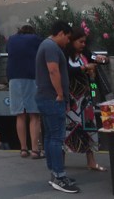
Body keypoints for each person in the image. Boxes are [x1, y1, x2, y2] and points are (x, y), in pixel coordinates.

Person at [35, 20, 78, 193]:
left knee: (49, 136)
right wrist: (60, 94)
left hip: (45, 98)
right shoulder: (52, 47)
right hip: (52, 99)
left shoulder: (45, 45)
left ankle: (55, 172)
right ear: (60, 33)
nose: (68, 42)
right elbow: (53, 70)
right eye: (67, 38)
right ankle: (59, 176)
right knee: (56, 138)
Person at [65, 27, 107, 172]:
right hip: (70, 99)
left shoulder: (86, 54)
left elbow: (95, 58)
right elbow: (66, 71)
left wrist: (101, 59)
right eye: (80, 41)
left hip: (85, 99)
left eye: (85, 42)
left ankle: (91, 161)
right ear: (72, 41)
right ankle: (61, 159)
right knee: (67, 128)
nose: (83, 44)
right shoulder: (65, 55)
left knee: (89, 128)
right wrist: (83, 68)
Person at [6, 23, 43, 158]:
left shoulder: (11, 39)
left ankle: (23, 148)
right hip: (31, 76)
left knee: (20, 115)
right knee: (34, 114)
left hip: (13, 78)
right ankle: (35, 150)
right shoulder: (36, 39)